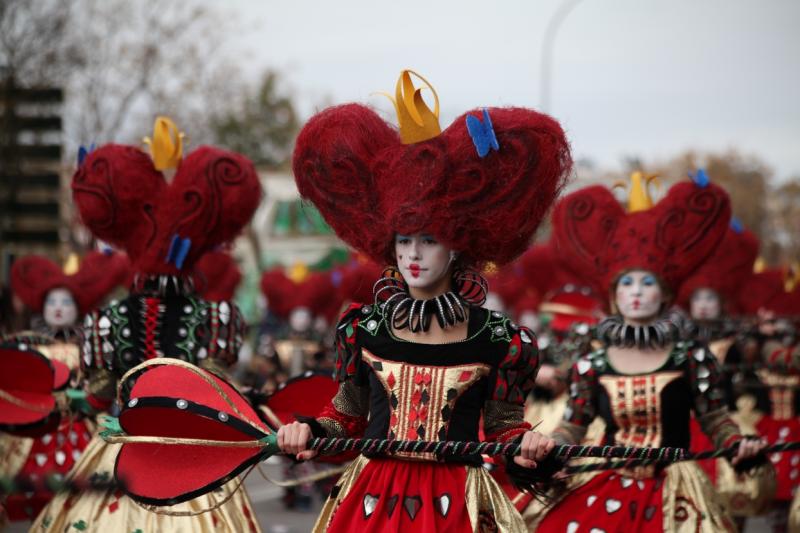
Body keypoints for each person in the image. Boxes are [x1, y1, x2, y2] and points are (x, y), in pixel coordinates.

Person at [280, 69, 572, 531]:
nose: (414, 254)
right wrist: (308, 430)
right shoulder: (365, 328)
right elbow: (345, 416)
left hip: (458, 506)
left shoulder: (499, 338)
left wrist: (528, 447)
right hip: (372, 504)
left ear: (456, 246)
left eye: (429, 240)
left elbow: (503, 429)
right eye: (405, 240)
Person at [31, 117, 264, 532]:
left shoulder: (110, 321)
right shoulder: (214, 318)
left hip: (122, 452)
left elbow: (102, 396)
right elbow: (215, 391)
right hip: (191, 458)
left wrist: (83, 400)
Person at [529, 174, 770, 532]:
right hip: (605, 485)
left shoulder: (690, 357)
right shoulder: (592, 364)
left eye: (647, 282)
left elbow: (715, 420)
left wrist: (738, 444)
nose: (636, 292)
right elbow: (573, 425)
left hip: (675, 492)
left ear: (665, 294)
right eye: (626, 283)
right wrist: (555, 449)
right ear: (614, 295)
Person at [0, 251, 128, 521]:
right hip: (35, 426)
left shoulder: (87, 350)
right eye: (52, 302)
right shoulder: (28, 345)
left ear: (77, 308)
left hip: (77, 423)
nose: (58, 308)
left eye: (66, 302)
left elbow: (101, 385)